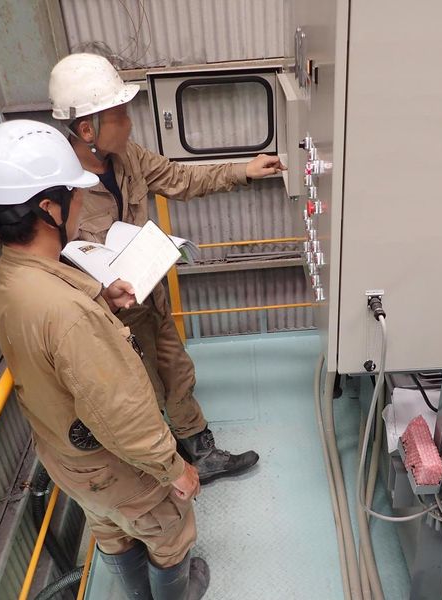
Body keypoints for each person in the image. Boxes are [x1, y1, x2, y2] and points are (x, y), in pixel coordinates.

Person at [0, 119, 209, 599]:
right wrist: (173, 468)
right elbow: (122, 413)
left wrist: (100, 295)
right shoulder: (69, 314)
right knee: (169, 533)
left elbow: (50, 339)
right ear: (49, 207)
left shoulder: (3, 279)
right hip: (116, 466)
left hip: (68, 458)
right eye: (74, 192)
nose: (81, 200)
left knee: (112, 532)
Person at [49, 52, 284, 483]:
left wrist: (244, 170)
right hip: (107, 317)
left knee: (176, 370)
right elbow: (52, 271)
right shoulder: (59, 187)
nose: (129, 124)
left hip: (148, 295)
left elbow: (180, 178)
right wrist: (100, 296)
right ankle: (164, 468)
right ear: (87, 130)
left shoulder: (129, 158)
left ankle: (200, 452)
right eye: (120, 116)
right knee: (136, 393)